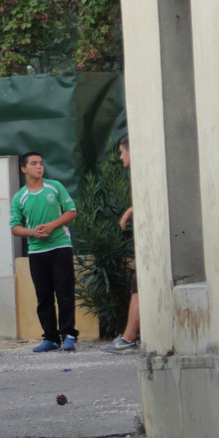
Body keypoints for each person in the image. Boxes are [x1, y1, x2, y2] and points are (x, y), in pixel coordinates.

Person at [10, 151, 78, 353]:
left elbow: (71, 211)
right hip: (37, 252)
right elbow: (14, 227)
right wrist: (32, 232)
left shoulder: (55, 187)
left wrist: (51, 226)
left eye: (41, 163)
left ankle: (69, 336)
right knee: (44, 296)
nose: (39, 167)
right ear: (24, 169)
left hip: (61, 247)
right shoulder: (19, 197)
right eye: (33, 163)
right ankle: (51, 338)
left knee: (65, 293)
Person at [100, 135, 140, 353]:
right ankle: (129, 337)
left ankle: (129, 338)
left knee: (139, 284)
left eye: (122, 151)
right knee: (139, 284)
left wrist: (131, 210)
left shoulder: (144, 170)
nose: (120, 156)